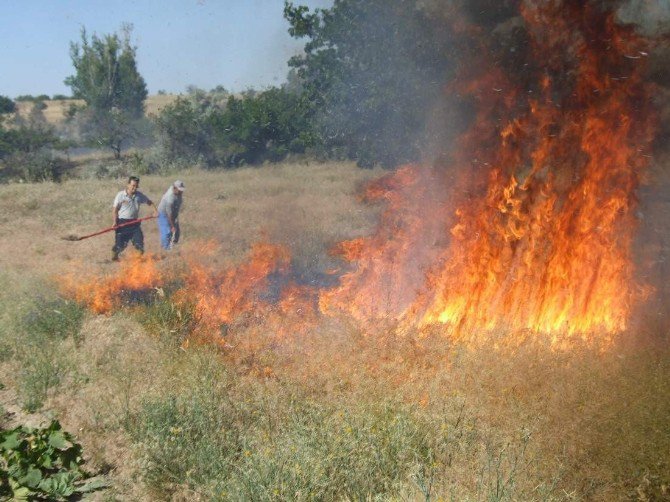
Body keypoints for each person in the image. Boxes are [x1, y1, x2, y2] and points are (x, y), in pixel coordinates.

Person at [111, 176, 157, 261]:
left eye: (136, 186)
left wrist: (155, 211)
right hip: (122, 223)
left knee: (139, 246)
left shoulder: (139, 195)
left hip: (135, 224)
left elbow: (149, 202)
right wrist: (114, 222)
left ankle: (137, 262)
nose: (134, 188)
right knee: (121, 246)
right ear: (128, 185)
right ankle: (115, 254)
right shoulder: (120, 195)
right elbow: (115, 210)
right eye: (133, 185)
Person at [157, 180, 185, 250]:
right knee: (167, 232)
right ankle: (165, 249)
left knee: (176, 233)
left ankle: (172, 246)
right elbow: (169, 214)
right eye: (179, 190)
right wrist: (172, 226)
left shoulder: (178, 193)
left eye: (182, 190)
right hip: (163, 214)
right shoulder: (170, 198)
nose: (181, 192)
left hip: (173, 213)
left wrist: (175, 219)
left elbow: (176, 208)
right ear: (175, 188)